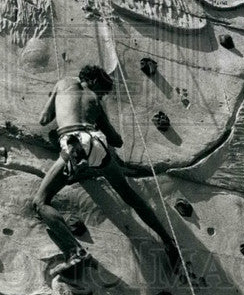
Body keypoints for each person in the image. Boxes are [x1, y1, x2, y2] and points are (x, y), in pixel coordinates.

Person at [32, 64, 182, 277]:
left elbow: (44, 119)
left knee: (40, 202)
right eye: (103, 91)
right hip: (97, 142)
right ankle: (168, 241)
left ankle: (75, 252)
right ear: (93, 81)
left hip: (74, 142)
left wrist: (60, 106)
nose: (102, 96)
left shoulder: (63, 83)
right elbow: (116, 140)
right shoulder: (96, 102)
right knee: (130, 196)